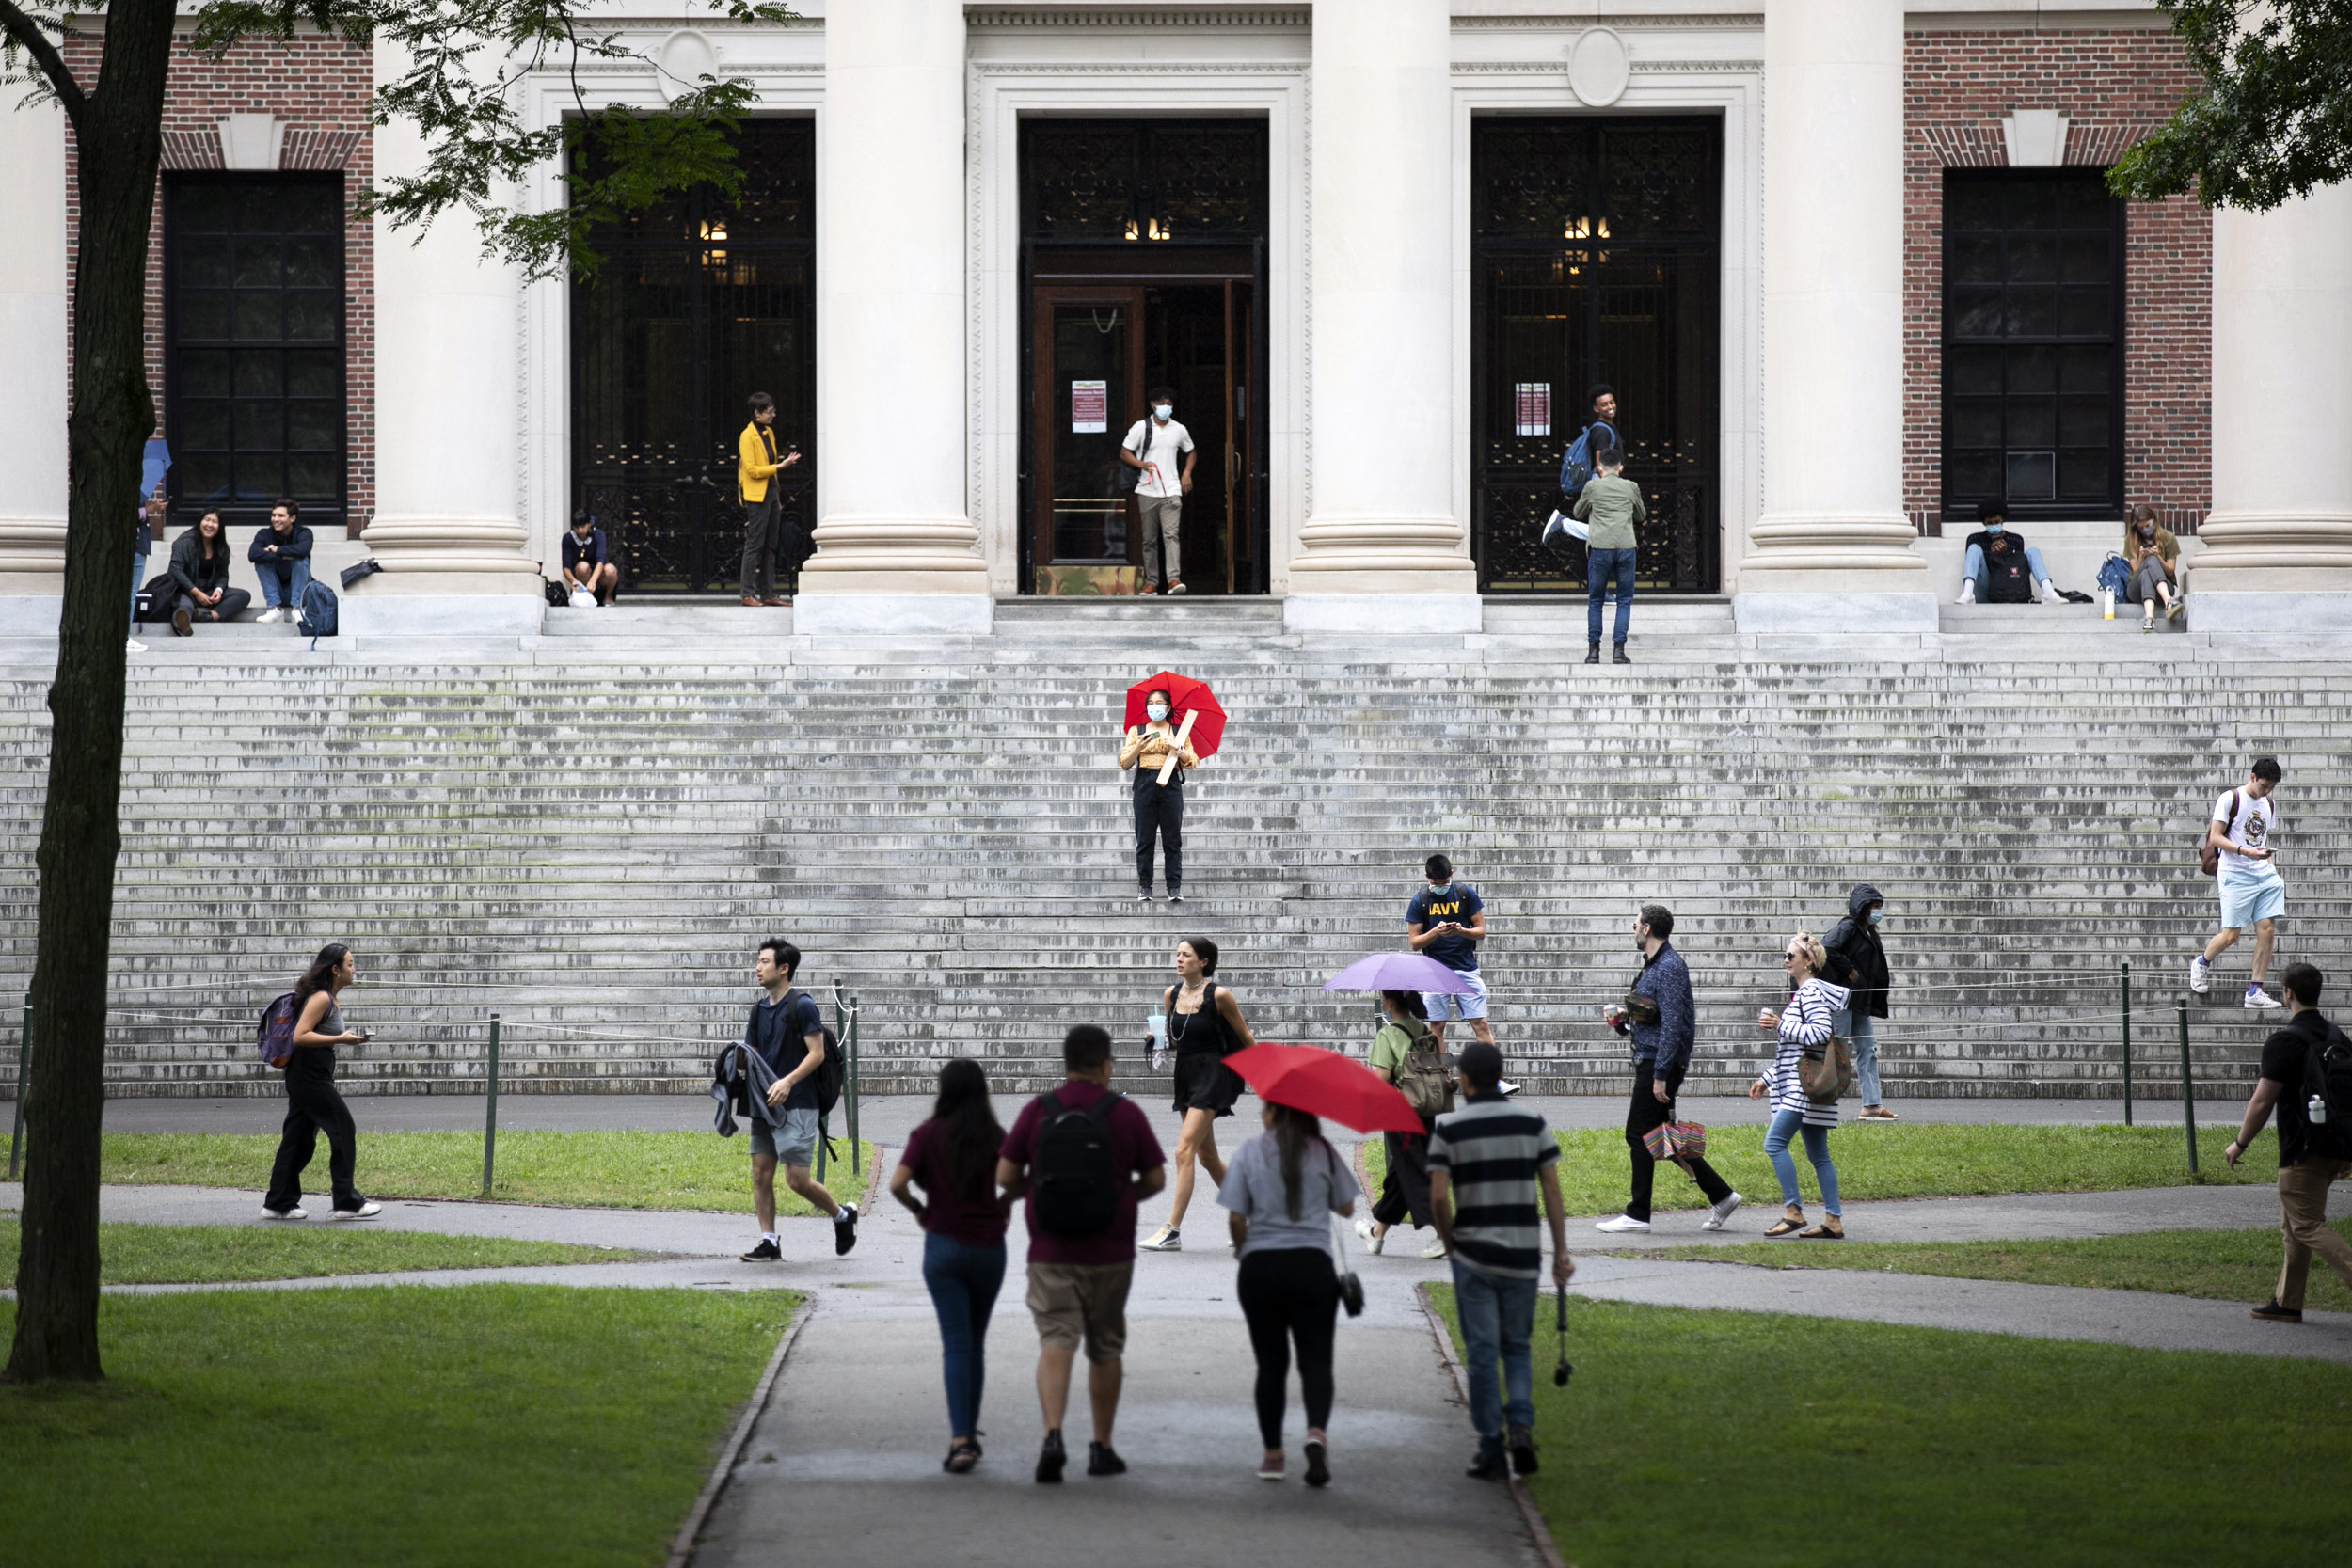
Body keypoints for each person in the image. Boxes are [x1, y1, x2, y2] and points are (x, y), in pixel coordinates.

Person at [996, 1023, 1167, 1483]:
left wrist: (1031, 1190)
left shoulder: (1039, 1110)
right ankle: (1102, 1446)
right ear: (1106, 1066)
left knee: (1056, 1339)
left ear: (1066, 1065)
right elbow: (1155, 1180)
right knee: (1105, 1345)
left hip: (1049, 1247)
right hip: (1110, 1250)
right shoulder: (1125, 1114)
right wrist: (1119, 1195)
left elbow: (1006, 1173)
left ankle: (1052, 1435)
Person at [1429, 1040, 1570, 1481]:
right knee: (1517, 1346)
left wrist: (1450, 1242)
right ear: (1500, 1076)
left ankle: (1491, 1445)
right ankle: (1522, 1424)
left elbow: (1436, 1196)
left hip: (1473, 1253)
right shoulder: (1531, 1123)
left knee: (1483, 1352)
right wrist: (1561, 1251)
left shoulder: (1449, 1129)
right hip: (1522, 1253)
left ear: (1465, 1081)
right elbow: (1551, 1190)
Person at [1219, 1101, 1359, 1485]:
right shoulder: (1323, 1150)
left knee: (1270, 1364)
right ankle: (1316, 1433)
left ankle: (1273, 1456)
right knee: (1316, 1361)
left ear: (1273, 1113)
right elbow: (1347, 1208)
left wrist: (1241, 1247)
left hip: (1261, 1268)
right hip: (1313, 1268)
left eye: (1264, 1108)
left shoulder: (1250, 1150)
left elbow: (1235, 1216)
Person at [889, 1059, 1011, 1471]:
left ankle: (961, 1440)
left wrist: (920, 1210)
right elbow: (1018, 1178)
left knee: (956, 1342)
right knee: (975, 1342)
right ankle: (969, 1435)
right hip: (988, 1247)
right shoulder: (994, 1135)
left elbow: (896, 1184)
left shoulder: (927, 1135)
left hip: (942, 1247)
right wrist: (1004, 1205)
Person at [1597, 905, 1741, 1234]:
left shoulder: (1670, 966)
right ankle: (1722, 1195)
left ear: (1646, 928)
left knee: (1638, 1134)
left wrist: (1661, 1073)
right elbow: (1654, 1017)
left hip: (1659, 1063)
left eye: (1634, 924)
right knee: (1664, 1137)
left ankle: (1637, 1214)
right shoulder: (1654, 965)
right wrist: (1623, 1021)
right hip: (1653, 1059)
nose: (1631, 929)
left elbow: (1674, 1023)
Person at [2223, 963, 2352, 1323]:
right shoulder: (2338, 1038)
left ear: (2288, 994)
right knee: (2294, 1224)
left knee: (2307, 1225)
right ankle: (2287, 1301)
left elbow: (2263, 1100)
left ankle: (2290, 1301)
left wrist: (2239, 1143)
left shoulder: (2286, 1041)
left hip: (2301, 1149)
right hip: (2334, 1147)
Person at [736, 938, 857, 1261]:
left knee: (796, 1180)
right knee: (761, 1173)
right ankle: (769, 1241)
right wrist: (737, 1062)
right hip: (765, 1104)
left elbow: (817, 1054)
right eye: (758, 961)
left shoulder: (802, 1006)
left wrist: (788, 1082)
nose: (757, 967)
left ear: (784, 968)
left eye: (764, 962)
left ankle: (842, 1216)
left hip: (799, 1102)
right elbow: (754, 1054)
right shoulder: (758, 1010)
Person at [1142, 937, 1255, 1252]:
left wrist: (1265, 1074)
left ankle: (1171, 1229)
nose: (1179, 959)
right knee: (1206, 1157)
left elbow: (1245, 1036)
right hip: (1186, 1073)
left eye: (1186, 955)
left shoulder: (1219, 996)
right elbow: (1177, 1039)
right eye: (1177, 953)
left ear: (1203, 961)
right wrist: (1158, 1039)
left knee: (1183, 1151)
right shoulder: (1172, 994)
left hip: (1214, 1075)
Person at [262, 942, 381, 1221]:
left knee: (299, 1139)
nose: (354, 969)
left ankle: (278, 1202)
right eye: (350, 964)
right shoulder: (321, 999)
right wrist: (341, 1038)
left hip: (313, 1072)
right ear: (335, 969)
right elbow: (300, 1037)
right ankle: (347, 1202)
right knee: (342, 1127)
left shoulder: (328, 997)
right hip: (308, 1074)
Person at [1750, 932, 1849, 1240]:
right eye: (1785, 955)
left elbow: (1819, 1034)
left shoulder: (1810, 993)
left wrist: (1781, 1025)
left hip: (1801, 1089)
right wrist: (1767, 1079)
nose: (1786, 960)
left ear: (1809, 961)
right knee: (1818, 1154)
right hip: (1805, 1085)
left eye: (1791, 956)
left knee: (1774, 1143)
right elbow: (1794, 1051)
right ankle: (1833, 1221)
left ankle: (1793, 1211)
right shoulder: (1804, 993)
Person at [1408, 854, 1518, 1093]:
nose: (1439, 887)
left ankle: (1493, 1081)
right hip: (1435, 972)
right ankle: (1441, 1079)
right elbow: (1414, 943)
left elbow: (1480, 932)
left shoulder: (1466, 893)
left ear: (1451, 874)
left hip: (1466, 968)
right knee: (1436, 1027)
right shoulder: (1421, 900)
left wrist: (1461, 931)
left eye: (1443, 882)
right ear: (1427, 877)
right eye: (1435, 883)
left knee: (1481, 1023)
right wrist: (1436, 932)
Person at [1359, 989, 1449, 1259]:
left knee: (1415, 1172)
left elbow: (1382, 1077)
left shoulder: (1388, 1034)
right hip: (1425, 1110)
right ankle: (1377, 1233)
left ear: (1389, 1002)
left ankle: (1446, 1233)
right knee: (1400, 1175)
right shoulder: (1423, 1029)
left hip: (1401, 1114)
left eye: (1383, 997)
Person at [2192, 757, 2286, 1009]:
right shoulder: (2229, 799)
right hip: (2234, 872)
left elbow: (2262, 837)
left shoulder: (2268, 803)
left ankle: (2255, 991)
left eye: (2271, 787)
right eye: (2264, 785)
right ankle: (2202, 962)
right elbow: (2215, 837)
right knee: (2231, 935)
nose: (2266, 791)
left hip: (2262, 872)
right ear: (2253, 777)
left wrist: (2267, 862)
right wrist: (2244, 851)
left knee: (2267, 930)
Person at [1822, 884, 1896, 1120]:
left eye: (1880, 907)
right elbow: (1827, 948)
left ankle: (1872, 1105)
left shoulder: (1869, 933)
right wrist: (1850, 970)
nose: (1877, 912)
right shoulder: (1848, 927)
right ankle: (1820, 1100)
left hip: (1860, 1003)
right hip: (1843, 1001)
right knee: (1836, 1050)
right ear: (1862, 908)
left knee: (1867, 1049)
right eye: (1874, 907)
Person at [1119, 689, 1198, 904]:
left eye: (1160, 703)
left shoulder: (1179, 731)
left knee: (1172, 839)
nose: (1155, 707)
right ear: (1146, 707)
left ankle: (1174, 887)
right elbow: (1125, 763)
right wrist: (1138, 747)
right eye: (1151, 703)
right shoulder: (1138, 730)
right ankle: (1145, 887)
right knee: (1145, 839)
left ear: (1169, 707)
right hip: (1144, 784)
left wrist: (1178, 748)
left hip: (1170, 784)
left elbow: (1192, 761)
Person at [1572, 446, 1645, 664]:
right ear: (1620, 468)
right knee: (1624, 600)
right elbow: (1641, 514)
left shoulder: (1592, 486)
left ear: (1600, 467)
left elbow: (1578, 512)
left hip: (1600, 548)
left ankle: (1593, 652)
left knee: (1595, 601)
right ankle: (1618, 652)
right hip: (1625, 547)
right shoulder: (1631, 487)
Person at [1120, 387, 1196, 595]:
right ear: (1152, 404)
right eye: (1161, 403)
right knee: (1149, 539)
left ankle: (1173, 580)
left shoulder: (1179, 429)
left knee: (1171, 535)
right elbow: (1124, 452)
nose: (1165, 407)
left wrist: (1186, 474)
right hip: (1146, 489)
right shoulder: (1140, 427)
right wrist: (1141, 464)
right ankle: (1151, 581)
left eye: (1169, 404)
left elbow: (1191, 452)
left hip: (1171, 489)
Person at [737, 391, 801, 607]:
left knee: (771, 544)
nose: (773, 415)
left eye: (773, 411)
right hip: (756, 496)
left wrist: (777, 496)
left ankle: (768, 593)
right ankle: (747, 594)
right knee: (755, 543)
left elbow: (768, 468)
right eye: (769, 411)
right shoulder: (747, 436)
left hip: (771, 493)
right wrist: (780, 466)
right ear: (757, 413)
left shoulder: (768, 433)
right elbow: (753, 470)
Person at [165, 509, 251, 635]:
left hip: (209, 591)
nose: (210, 525)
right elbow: (176, 571)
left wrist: (219, 590)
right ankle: (182, 623)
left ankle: (210, 616)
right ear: (200, 522)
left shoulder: (221, 547)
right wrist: (197, 593)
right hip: (186, 590)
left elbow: (223, 575)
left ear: (220, 526)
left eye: (215, 522)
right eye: (207, 520)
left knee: (243, 595)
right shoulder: (183, 543)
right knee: (184, 606)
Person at [1956, 501, 2059, 606]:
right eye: (1990, 523)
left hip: (2009, 589)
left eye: (1996, 522)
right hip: (1986, 589)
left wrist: (2005, 554)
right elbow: (1974, 568)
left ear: (2003, 520)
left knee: (2033, 551)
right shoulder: (1975, 539)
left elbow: (2018, 570)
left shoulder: (2015, 539)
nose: (1993, 526)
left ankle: (2049, 592)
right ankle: (1967, 593)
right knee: (1974, 548)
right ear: (1984, 523)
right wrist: (1992, 555)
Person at [248, 498, 314, 624]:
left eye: (281, 516)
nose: (275, 519)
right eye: (273, 515)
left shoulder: (304, 533)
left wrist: (274, 549)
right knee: (261, 562)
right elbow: (253, 555)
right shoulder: (264, 534)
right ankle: (274, 608)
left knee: (300, 560)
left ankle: (298, 609)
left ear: (292, 518)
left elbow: (303, 550)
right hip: (277, 592)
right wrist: (284, 555)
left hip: (301, 592)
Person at [2122, 503, 2182, 630]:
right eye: (2141, 528)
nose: (2145, 530)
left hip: (2164, 587)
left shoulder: (2168, 538)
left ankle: (2149, 619)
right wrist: (2142, 557)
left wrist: (2158, 557)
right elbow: (2135, 570)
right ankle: (2169, 602)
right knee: (2147, 566)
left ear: (2154, 519)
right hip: (2136, 589)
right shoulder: (2131, 540)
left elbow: (2171, 571)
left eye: (2148, 526)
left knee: (2148, 570)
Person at [127, 487, 162, 653]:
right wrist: (151, 509)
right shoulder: (133, 489)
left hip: (134, 546)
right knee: (131, 592)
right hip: (136, 545)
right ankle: (125, 637)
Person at [560, 509, 619, 606]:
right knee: (582, 567)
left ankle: (608, 596)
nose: (580, 530)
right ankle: (585, 597)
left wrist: (593, 581)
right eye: (576, 527)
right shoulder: (568, 538)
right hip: (582, 576)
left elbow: (601, 560)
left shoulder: (598, 535)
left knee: (610, 569)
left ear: (589, 524)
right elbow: (566, 567)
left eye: (583, 526)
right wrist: (573, 581)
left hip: (599, 575)